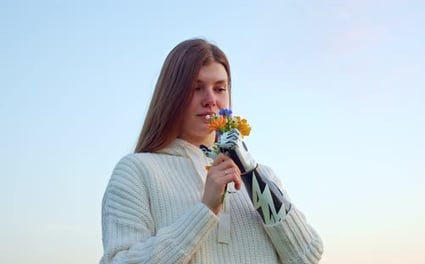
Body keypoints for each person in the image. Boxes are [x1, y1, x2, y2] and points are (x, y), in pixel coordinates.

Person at [100, 38, 323, 264]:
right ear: (172, 95)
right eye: (196, 88)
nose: (210, 100)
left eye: (220, 88)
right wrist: (205, 210)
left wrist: (250, 173)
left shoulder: (260, 174)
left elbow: (307, 256)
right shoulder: (136, 171)